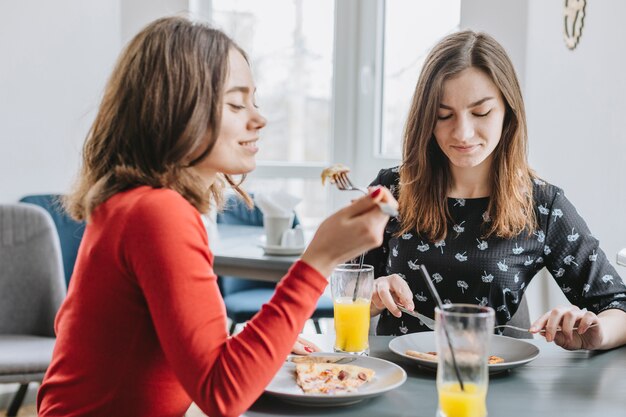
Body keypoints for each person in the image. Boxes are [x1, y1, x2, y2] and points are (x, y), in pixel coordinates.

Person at [37, 17, 396, 417]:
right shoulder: (157, 212)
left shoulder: (133, 204)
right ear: (174, 108)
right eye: (236, 103)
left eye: (254, 102)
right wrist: (320, 259)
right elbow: (222, 395)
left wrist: (250, 344)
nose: (258, 119)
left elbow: (168, 351)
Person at [366, 30, 626, 351]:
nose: (462, 132)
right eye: (443, 115)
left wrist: (596, 332)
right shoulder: (391, 189)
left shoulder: (541, 203)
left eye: (481, 112)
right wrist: (371, 297)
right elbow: (346, 293)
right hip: (397, 380)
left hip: (493, 385)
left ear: (508, 112)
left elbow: (617, 304)